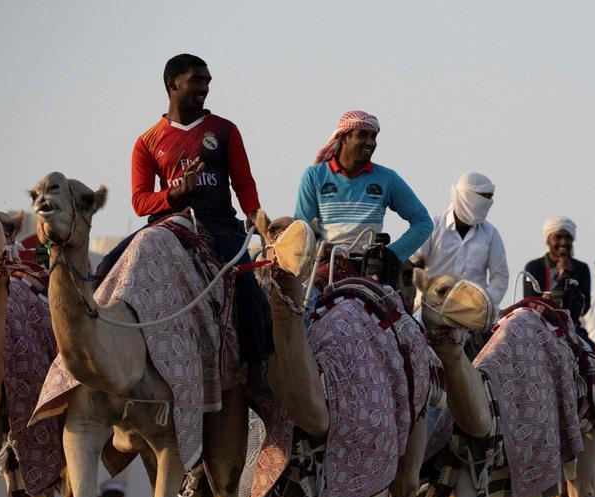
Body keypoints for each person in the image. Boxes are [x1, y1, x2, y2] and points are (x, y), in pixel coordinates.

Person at [98, 53, 272, 402]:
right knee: (104, 269)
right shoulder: (147, 141)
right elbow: (140, 201)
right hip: (166, 227)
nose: (204, 88)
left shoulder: (224, 130)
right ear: (172, 84)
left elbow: (243, 183)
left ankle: (256, 373)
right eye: (197, 80)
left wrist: (257, 217)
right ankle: (90, 360)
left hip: (217, 227)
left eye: (207, 81)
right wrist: (176, 193)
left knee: (250, 290)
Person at [295, 110, 432, 273]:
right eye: (362, 135)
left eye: (373, 137)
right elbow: (301, 229)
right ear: (345, 138)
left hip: (370, 269)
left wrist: (391, 254)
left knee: (390, 298)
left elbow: (423, 222)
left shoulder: (387, 178)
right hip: (325, 267)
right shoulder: (315, 176)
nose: (370, 142)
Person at [411, 172, 508, 308]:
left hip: (473, 313)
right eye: (483, 197)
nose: (488, 202)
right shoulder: (432, 227)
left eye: (490, 197)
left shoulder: (490, 234)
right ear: (466, 196)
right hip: (431, 308)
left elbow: (500, 277)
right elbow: (412, 266)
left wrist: (485, 300)